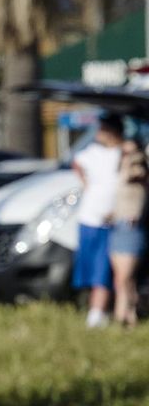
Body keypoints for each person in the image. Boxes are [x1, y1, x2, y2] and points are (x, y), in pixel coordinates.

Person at [72, 114, 125, 329]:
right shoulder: (92, 152)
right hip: (89, 218)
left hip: (111, 221)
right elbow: (76, 162)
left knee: (103, 268)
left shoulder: (123, 153)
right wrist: (86, 183)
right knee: (91, 268)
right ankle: (96, 311)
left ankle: (98, 313)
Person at [110, 137, 145, 327]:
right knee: (121, 279)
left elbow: (139, 171)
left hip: (131, 229)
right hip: (117, 227)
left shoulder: (138, 170)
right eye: (123, 153)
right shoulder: (119, 175)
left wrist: (134, 159)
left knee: (125, 277)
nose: (127, 156)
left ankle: (128, 314)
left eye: (130, 153)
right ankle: (125, 316)